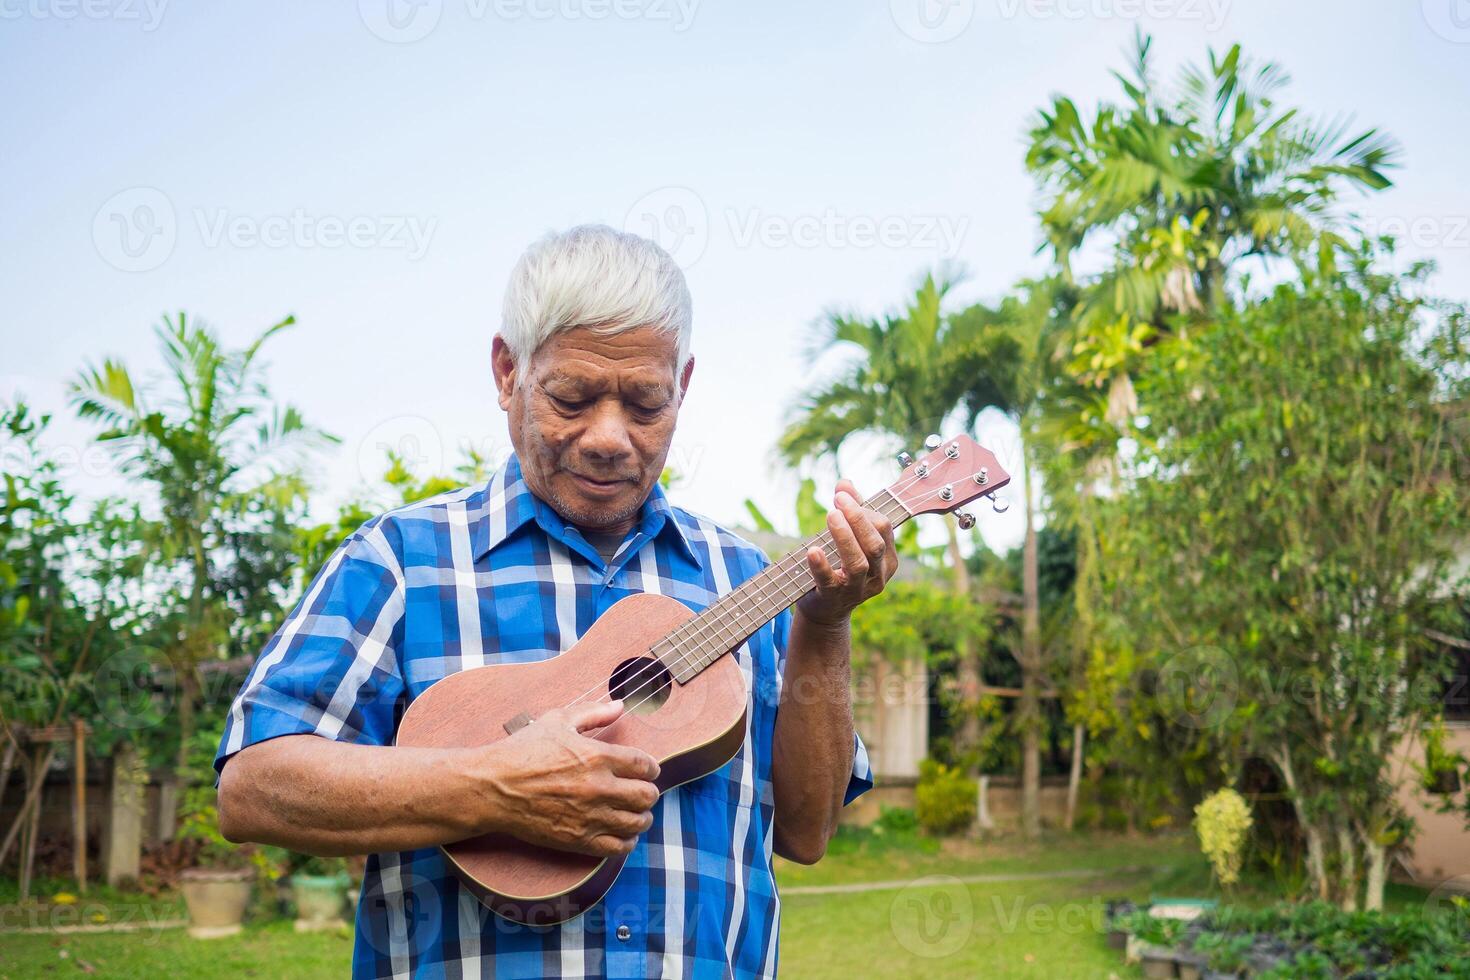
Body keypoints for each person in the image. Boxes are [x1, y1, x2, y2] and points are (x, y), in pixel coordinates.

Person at [214, 224, 897, 979]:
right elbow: (253, 788)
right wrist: (493, 787)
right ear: (508, 372)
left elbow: (806, 832)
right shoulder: (400, 562)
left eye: (645, 404)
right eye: (571, 397)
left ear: (684, 386)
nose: (610, 438)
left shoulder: (745, 578)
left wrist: (825, 624)